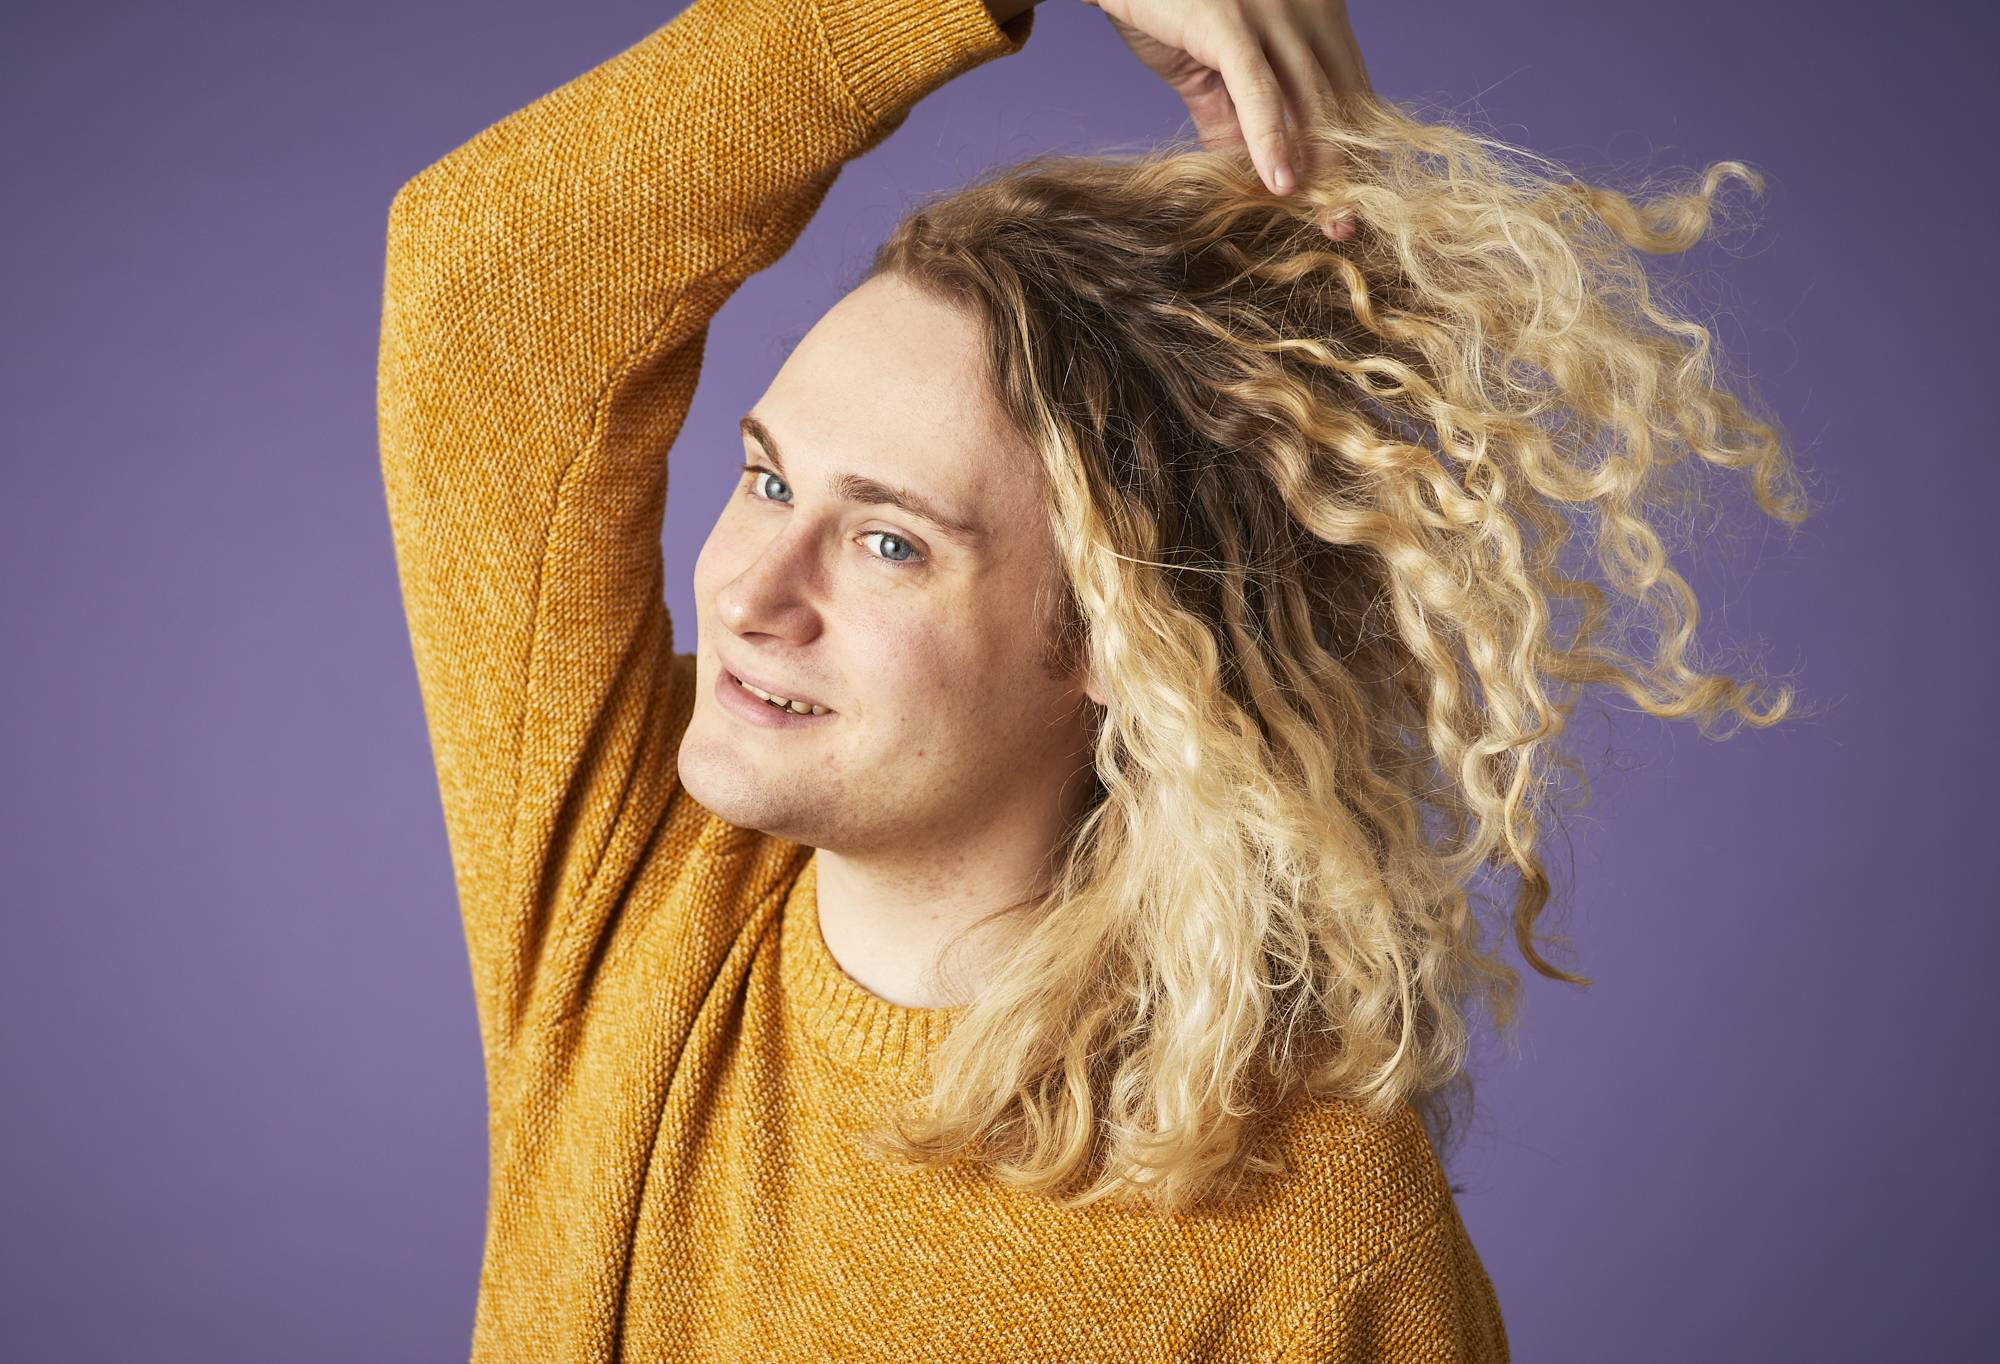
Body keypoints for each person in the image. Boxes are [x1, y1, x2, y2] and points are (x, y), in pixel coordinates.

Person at [376, 0, 1807, 1358]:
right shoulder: (630, 877)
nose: (751, 595)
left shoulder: (1308, 1244)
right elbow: (486, 287)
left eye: (888, 541)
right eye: (767, 479)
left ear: (1128, 641)